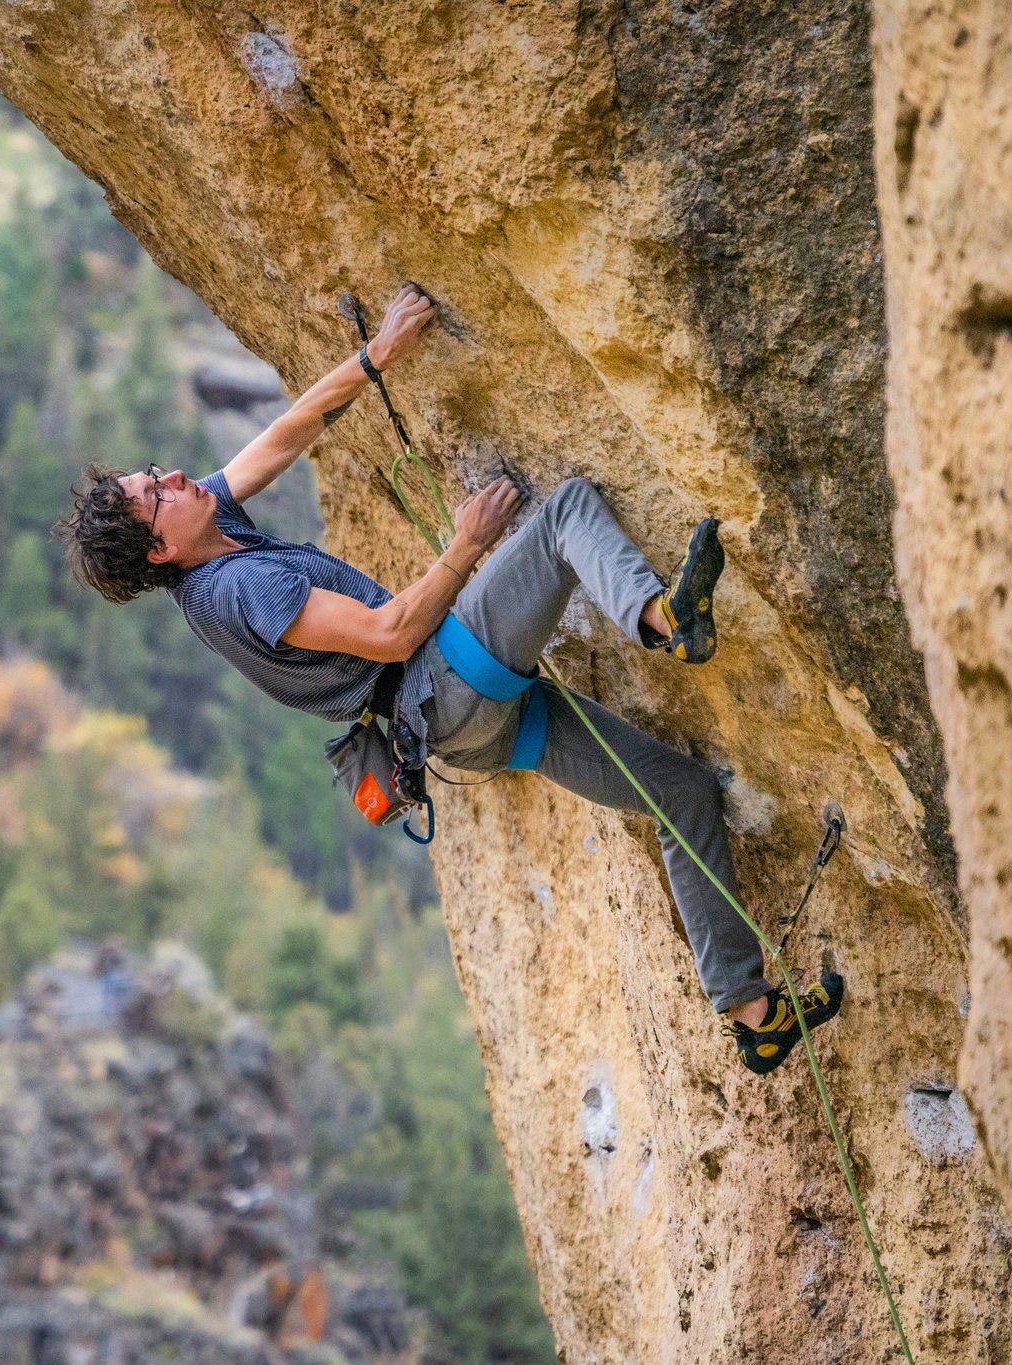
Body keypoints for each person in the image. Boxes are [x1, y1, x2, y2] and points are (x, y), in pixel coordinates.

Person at [53, 284, 840, 1075]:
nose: (177, 476)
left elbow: (286, 435)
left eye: (154, 473)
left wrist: (375, 357)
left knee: (682, 793)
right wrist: (465, 547)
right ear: (159, 550)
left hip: (461, 729)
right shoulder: (239, 591)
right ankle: (665, 620)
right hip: (442, 686)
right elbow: (391, 636)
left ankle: (752, 1012)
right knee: (565, 516)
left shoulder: (211, 535)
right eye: (156, 493)